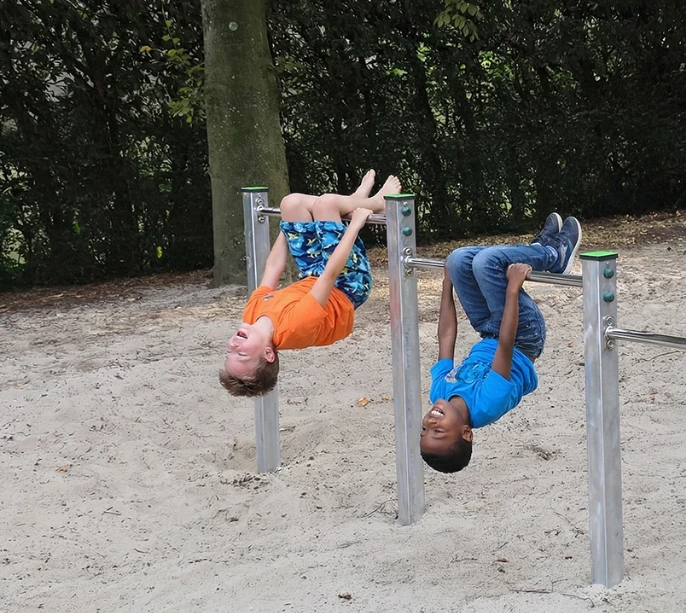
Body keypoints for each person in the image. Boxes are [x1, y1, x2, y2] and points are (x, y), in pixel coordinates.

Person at [420, 213, 582, 473]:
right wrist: (512, 290)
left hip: (488, 329)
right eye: (437, 431)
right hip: (522, 335)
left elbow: (446, 335)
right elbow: (506, 345)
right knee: (487, 262)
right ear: (466, 433)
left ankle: (537, 249)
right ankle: (554, 255)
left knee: (458, 259)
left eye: (424, 429)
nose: (429, 421)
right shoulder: (487, 404)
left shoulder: (439, 392)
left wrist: (447, 283)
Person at [220, 171, 401, 397]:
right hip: (347, 284)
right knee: (326, 204)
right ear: (268, 353)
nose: (234, 347)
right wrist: (355, 225)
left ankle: (354, 199)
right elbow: (331, 273)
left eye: (229, 352)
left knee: (291, 204)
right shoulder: (295, 327)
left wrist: (289, 227)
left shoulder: (251, 315)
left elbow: (273, 268)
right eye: (242, 355)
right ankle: (376, 202)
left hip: (313, 274)